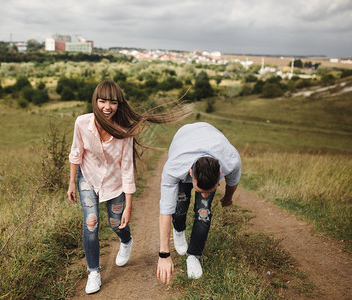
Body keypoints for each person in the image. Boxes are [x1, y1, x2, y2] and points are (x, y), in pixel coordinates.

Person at [68, 81, 190, 294]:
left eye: (113, 102)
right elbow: (76, 152)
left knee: (117, 224)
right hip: (88, 177)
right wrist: (71, 182)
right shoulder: (81, 123)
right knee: (91, 223)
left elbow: (127, 170)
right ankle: (94, 272)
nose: (107, 107)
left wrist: (128, 208)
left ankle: (127, 241)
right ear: (95, 101)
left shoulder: (125, 133)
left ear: (119, 104)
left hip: (115, 183)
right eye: (102, 101)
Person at [156, 122, 241, 284]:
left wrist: (228, 198)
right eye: (200, 189)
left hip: (213, 142)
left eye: (209, 190)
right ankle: (179, 229)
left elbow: (232, 182)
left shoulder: (231, 159)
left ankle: (194, 255)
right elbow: (165, 210)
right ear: (190, 174)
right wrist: (164, 254)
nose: (203, 194)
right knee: (180, 205)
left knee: (203, 211)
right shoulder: (175, 168)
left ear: (220, 174)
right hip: (183, 141)